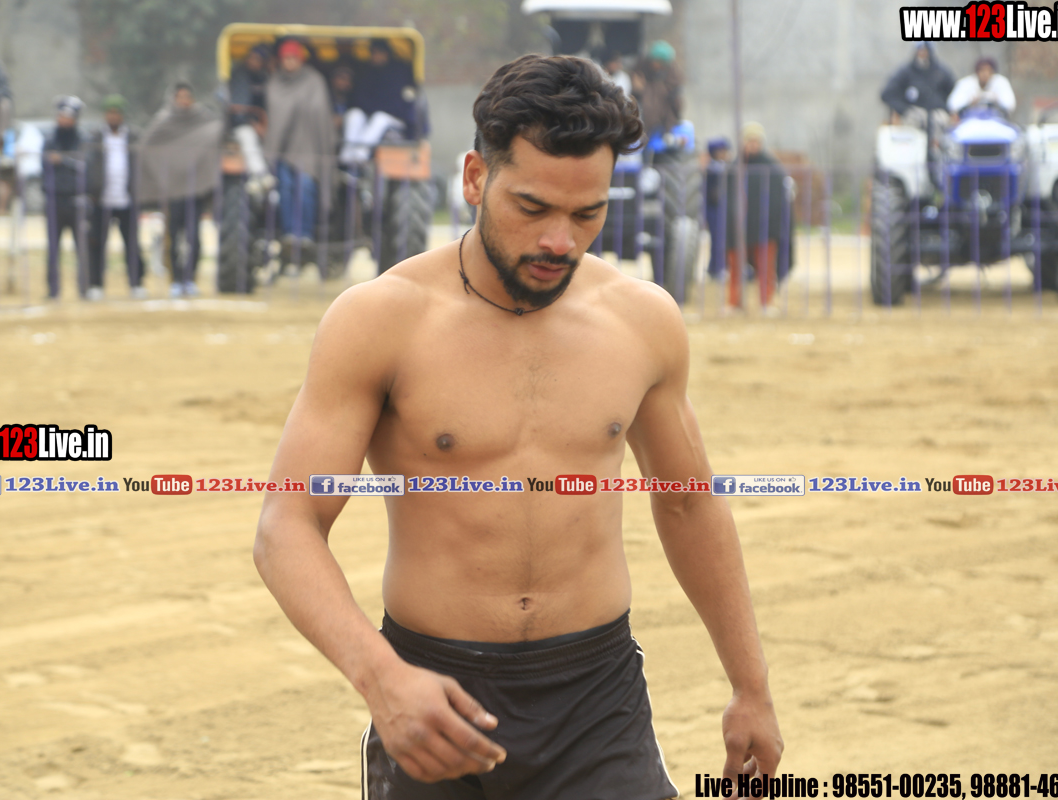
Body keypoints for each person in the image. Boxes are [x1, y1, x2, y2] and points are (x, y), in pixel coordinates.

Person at [254, 54, 782, 800]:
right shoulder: (382, 319)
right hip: (433, 696)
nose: (560, 241)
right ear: (476, 178)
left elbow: (689, 504)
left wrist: (750, 686)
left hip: (597, 702)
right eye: (532, 208)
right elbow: (288, 524)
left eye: (587, 214)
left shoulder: (641, 321)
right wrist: (382, 678)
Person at [137, 81, 221, 298]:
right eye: (180, 97)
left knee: (195, 238)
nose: (184, 101)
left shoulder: (203, 119)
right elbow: (146, 146)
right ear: (174, 99)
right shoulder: (164, 121)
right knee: (173, 238)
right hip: (172, 191)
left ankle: (190, 279)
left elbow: (216, 133)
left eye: (187, 97)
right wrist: (161, 178)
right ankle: (175, 280)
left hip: (195, 189)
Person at [264, 39, 334, 268]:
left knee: (305, 186)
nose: (290, 62)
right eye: (286, 58)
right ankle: (288, 234)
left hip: (308, 146)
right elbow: (275, 113)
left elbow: (320, 111)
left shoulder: (314, 81)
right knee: (285, 187)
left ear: (301, 59)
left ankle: (304, 234)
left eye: (294, 58)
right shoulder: (275, 82)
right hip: (282, 149)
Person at [726, 122, 790, 310]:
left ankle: (766, 302)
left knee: (766, 267)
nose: (753, 145)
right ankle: (734, 302)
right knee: (735, 267)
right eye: (749, 141)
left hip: (765, 226)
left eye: (756, 141)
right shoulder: (734, 166)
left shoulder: (772, 167)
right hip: (738, 227)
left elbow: (779, 199)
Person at [86, 94, 145, 299]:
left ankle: (136, 283)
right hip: (101, 199)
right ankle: (95, 284)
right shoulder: (95, 137)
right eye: (110, 112)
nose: (113, 116)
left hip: (126, 199)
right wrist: (92, 190)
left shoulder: (133, 136)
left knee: (132, 244)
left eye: (117, 113)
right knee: (97, 244)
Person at [341, 39, 420, 165]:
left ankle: (359, 158)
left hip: (397, 120)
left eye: (378, 53)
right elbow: (360, 99)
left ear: (386, 54)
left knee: (380, 118)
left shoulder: (400, 72)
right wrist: (370, 109)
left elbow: (401, 105)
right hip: (371, 115)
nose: (375, 56)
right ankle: (346, 157)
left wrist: (375, 108)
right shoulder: (368, 72)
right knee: (354, 114)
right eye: (373, 53)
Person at [42, 95, 87, 300]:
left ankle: (84, 288)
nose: (65, 120)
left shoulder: (82, 139)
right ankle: (53, 290)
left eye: (69, 117)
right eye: (62, 116)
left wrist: (63, 160)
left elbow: (84, 164)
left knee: (81, 248)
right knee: (53, 247)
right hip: (54, 200)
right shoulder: (50, 140)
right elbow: (44, 165)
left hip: (77, 199)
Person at [880, 42, 954, 128]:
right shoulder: (906, 72)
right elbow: (887, 94)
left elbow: (954, 92)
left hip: (936, 112)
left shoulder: (941, 72)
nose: (923, 53)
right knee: (914, 120)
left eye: (926, 50)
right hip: (913, 112)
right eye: (920, 50)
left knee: (941, 120)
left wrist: (946, 108)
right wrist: (903, 109)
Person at [228, 44, 271, 180]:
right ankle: (261, 177)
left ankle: (263, 181)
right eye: (252, 57)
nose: (254, 61)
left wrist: (264, 125)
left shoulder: (264, 77)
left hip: (262, 125)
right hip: (239, 125)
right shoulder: (240, 74)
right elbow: (237, 109)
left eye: (258, 59)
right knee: (248, 137)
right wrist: (254, 123)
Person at [632, 40, 683, 139]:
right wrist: (638, 90)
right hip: (644, 124)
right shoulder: (641, 71)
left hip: (664, 125)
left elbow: (676, 104)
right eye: (656, 62)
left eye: (661, 63)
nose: (657, 65)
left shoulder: (671, 76)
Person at [947, 56, 1015, 118]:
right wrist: (970, 103)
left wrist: (995, 101)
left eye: (988, 70)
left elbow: (1010, 104)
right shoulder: (966, 83)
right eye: (982, 70)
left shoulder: (1001, 82)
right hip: (970, 120)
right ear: (977, 72)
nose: (985, 74)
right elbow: (953, 105)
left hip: (995, 119)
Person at [704, 137, 731, 282]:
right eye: (720, 151)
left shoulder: (726, 167)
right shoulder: (712, 169)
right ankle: (716, 268)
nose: (724, 154)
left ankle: (720, 267)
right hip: (714, 209)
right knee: (717, 239)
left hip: (723, 208)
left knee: (724, 239)